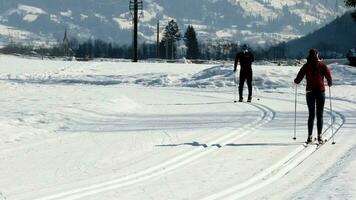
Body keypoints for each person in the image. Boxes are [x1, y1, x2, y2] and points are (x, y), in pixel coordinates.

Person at [294, 49, 333, 144]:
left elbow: (299, 77)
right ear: (317, 55)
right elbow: (328, 76)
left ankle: (310, 137)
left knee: (311, 114)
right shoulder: (322, 65)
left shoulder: (306, 66)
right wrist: (329, 83)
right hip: (320, 91)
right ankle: (320, 137)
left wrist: (296, 81)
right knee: (320, 115)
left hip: (310, 92)